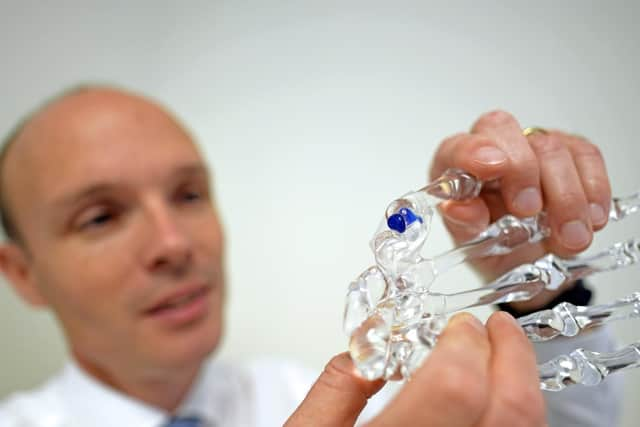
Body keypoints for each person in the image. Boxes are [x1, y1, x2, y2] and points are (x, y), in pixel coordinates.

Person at [0, 85, 621, 426]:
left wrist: (535, 285)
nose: (174, 244)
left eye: (189, 194)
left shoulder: (354, 398)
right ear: (22, 274)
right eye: (101, 217)